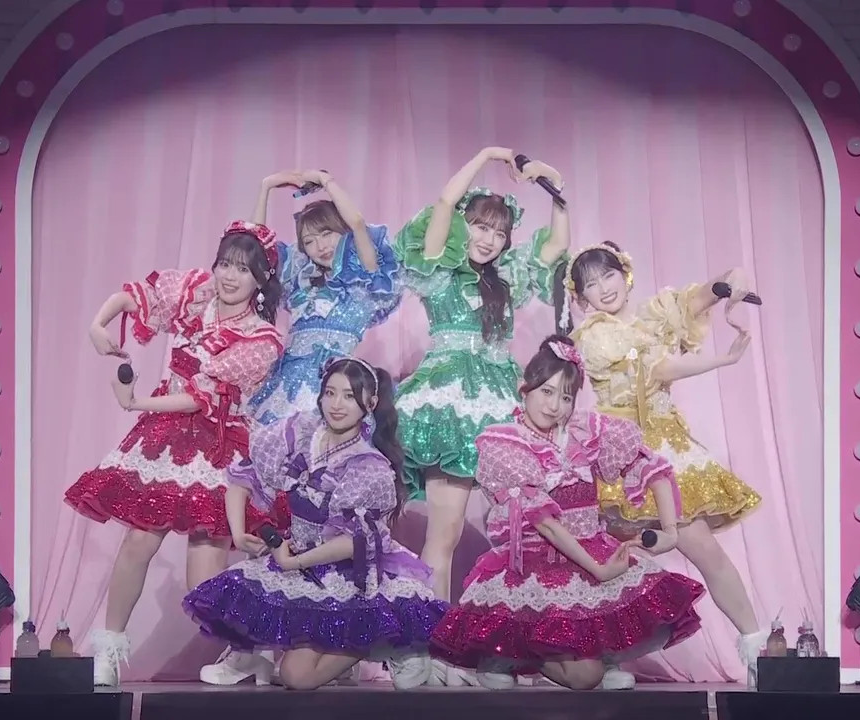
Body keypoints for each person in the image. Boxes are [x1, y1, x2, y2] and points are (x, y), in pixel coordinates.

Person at [64, 221, 286, 686]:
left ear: (261, 279)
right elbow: (135, 297)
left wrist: (136, 403)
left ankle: (249, 650)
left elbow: (201, 398)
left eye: (243, 270)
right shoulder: (196, 293)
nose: (229, 276)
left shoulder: (262, 339)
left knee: (202, 580)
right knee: (139, 540)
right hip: (165, 436)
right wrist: (97, 324)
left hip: (218, 444)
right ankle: (108, 651)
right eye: (225, 264)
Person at [430, 336, 705, 690]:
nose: (555, 406)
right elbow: (545, 524)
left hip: (591, 549)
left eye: (565, 397)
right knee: (584, 676)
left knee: (655, 607)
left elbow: (651, 466)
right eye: (546, 391)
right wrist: (599, 570)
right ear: (524, 387)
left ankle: (598, 659)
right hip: (537, 563)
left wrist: (670, 530)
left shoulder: (583, 431)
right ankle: (507, 655)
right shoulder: (505, 442)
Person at [565, 242, 766, 683]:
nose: (604, 288)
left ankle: (758, 649)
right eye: (591, 284)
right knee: (608, 561)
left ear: (625, 275)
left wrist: (730, 280)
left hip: (665, 446)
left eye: (608, 275)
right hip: (619, 454)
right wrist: (723, 359)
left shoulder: (652, 315)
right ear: (581, 297)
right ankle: (604, 661)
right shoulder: (596, 335)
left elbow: (697, 299)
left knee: (706, 551)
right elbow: (657, 370)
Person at [184, 357, 447, 690]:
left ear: (370, 403)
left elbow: (354, 541)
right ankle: (251, 656)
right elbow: (243, 477)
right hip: (299, 558)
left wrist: (295, 562)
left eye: (349, 396)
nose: (336, 404)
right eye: (330, 393)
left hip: (348, 572)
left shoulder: (368, 464)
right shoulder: (300, 431)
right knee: (237, 594)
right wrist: (239, 533)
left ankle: (384, 639)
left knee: (295, 677)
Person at [393, 146, 570, 612]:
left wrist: (555, 188)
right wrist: (488, 154)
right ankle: (430, 636)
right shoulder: (440, 272)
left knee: (524, 534)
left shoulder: (506, 279)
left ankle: (516, 633)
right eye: (480, 226)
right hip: (450, 403)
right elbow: (445, 202)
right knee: (445, 534)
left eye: (499, 232)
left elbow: (555, 246)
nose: (489, 239)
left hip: (502, 403)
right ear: (462, 227)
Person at [247, 170, 402, 426]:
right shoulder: (299, 281)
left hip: (332, 390)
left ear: (343, 232)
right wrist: (267, 186)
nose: (321, 246)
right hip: (282, 388)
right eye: (309, 241)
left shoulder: (363, 280)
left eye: (327, 233)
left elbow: (357, 223)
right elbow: (253, 248)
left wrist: (325, 180)